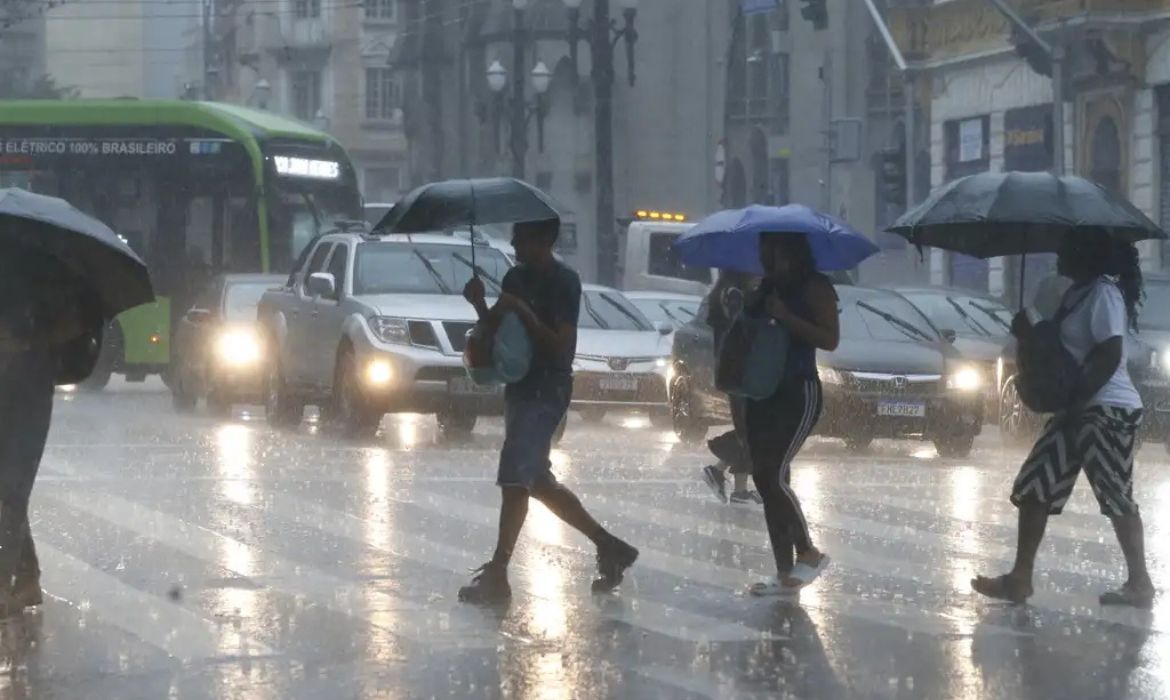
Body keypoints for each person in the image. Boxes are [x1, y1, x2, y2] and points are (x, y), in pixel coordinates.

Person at [459, 218, 638, 603]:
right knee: (535, 479)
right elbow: (497, 329)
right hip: (520, 386)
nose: (514, 245)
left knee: (515, 478)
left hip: (548, 388)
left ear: (543, 241)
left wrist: (522, 310)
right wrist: (480, 304)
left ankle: (498, 572)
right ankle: (610, 546)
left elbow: (560, 345)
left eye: (521, 239)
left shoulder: (564, 282)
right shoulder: (514, 278)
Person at [973, 236, 1155, 608]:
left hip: (1107, 409)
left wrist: (1077, 403)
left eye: (1069, 249)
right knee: (1035, 484)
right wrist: (1028, 332)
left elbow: (1109, 354)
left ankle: (1140, 583)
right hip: (1076, 407)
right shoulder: (1075, 294)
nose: (1060, 256)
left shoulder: (1104, 294)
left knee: (1114, 492)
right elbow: (1060, 351)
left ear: (1089, 254)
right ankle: (1020, 578)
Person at [0, 246, 102, 616]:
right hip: (21, 385)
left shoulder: (43, 268)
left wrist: (24, 341)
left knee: (11, 488)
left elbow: (74, 322)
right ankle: (26, 577)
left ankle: (2, 583)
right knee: (6, 489)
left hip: (28, 391)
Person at [745, 233, 838, 596]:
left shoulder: (816, 287)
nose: (766, 255)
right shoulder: (767, 285)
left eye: (772, 249)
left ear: (791, 250)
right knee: (766, 479)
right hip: (762, 390)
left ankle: (808, 551)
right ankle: (784, 571)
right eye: (763, 249)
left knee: (772, 474)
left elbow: (830, 339)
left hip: (798, 390)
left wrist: (786, 316)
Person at [700, 270, 763, 505]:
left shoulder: (724, 294)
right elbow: (742, 332)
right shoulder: (735, 296)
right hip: (741, 373)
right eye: (755, 273)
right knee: (750, 430)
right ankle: (726, 478)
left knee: (748, 429)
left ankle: (735, 485)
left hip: (735, 372)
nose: (758, 276)